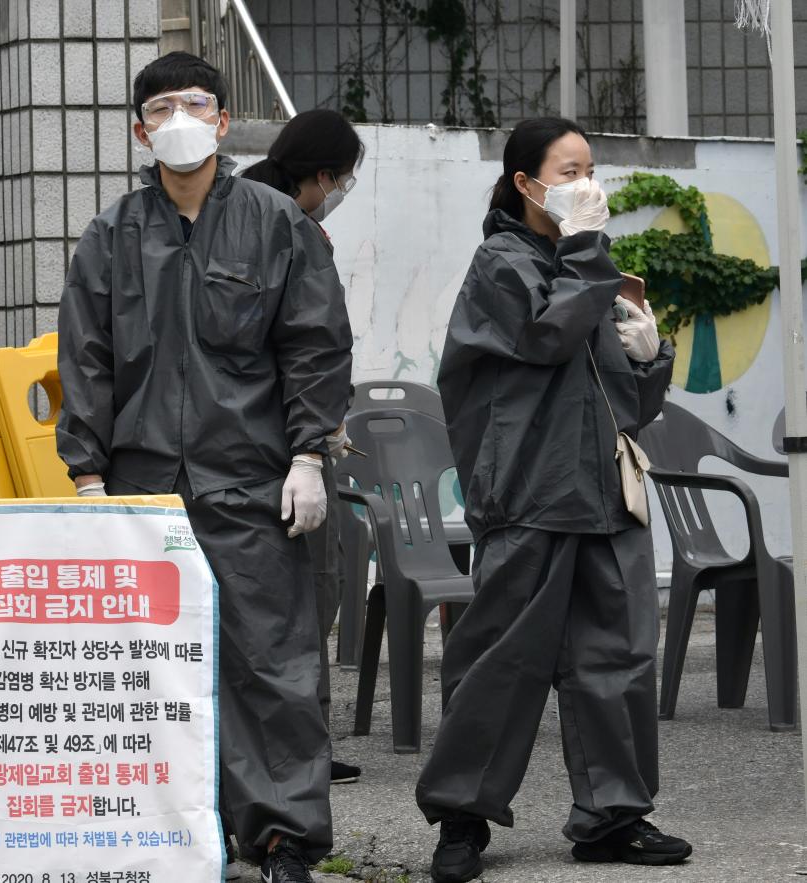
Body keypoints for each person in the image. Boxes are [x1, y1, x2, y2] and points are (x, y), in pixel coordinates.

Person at [55, 52, 353, 883]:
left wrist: (308, 453)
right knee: (151, 678)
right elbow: (87, 360)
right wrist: (87, 478)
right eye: (161, 106)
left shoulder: (275, 223)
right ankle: (172, 835)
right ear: (139, 129)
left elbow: (316, 344)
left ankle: (284, 837)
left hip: (253, 485)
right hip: (143, 494)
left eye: (195, 103)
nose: (179, 118)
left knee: (274, 667)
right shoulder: (110, 236)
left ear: (224, 121)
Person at [414, 117, 690, 883]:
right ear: (525, 185)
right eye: (569, 170)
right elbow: (544, 336)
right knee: (500, 659)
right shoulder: (501, 264)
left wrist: (650, 350)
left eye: (591, 167)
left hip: (604, 491)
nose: (586, 182)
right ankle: (461, 817)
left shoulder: (586, 265)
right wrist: (588, 258)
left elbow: (629, 401)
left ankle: (613, 815)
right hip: (532, 491)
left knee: (621, 658)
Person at [242, 109, 364, 788]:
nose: (341, 189)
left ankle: (299, 746)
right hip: (285, 449)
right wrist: (315, 438)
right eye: (342, 178)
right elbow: (311, 346)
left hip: (258, 445)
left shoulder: (240, 213)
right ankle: (294, 753)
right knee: (311, 594)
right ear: (321, 175)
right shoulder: (292, 229)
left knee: (299, 600)